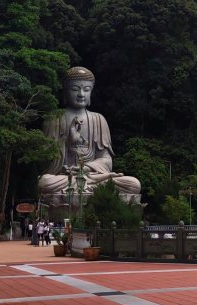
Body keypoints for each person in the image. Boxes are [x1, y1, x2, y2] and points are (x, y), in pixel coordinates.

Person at [37, 67, 141, 203]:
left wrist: (85, 168)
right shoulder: (53, 119)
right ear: (65, 91)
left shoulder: (99, 120)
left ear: (91, 92)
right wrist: (66, 141)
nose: (81, 94)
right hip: (64, 177)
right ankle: (86, 190)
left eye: (86, 89)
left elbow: (106, 160)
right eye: (75, 89)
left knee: (133, 184)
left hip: (92, 177)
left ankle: (83, 189)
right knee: (44, 182)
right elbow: (44, 161)